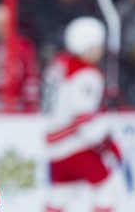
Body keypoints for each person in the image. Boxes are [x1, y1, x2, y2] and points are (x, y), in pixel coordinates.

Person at [43, 17, 123, 212]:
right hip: (74, 146)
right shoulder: (87, 74)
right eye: (97, 45)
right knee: (109, 187)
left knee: (60, 196)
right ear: (87, 45)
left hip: (54, 145)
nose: (101, 50)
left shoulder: (59, 64)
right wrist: (107, 145)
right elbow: (84, 121)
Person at [0, 4, 39, 112]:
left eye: (3, 24)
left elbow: (30, 81)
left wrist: (30, 110)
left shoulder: (24, 47)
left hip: (17, 109)